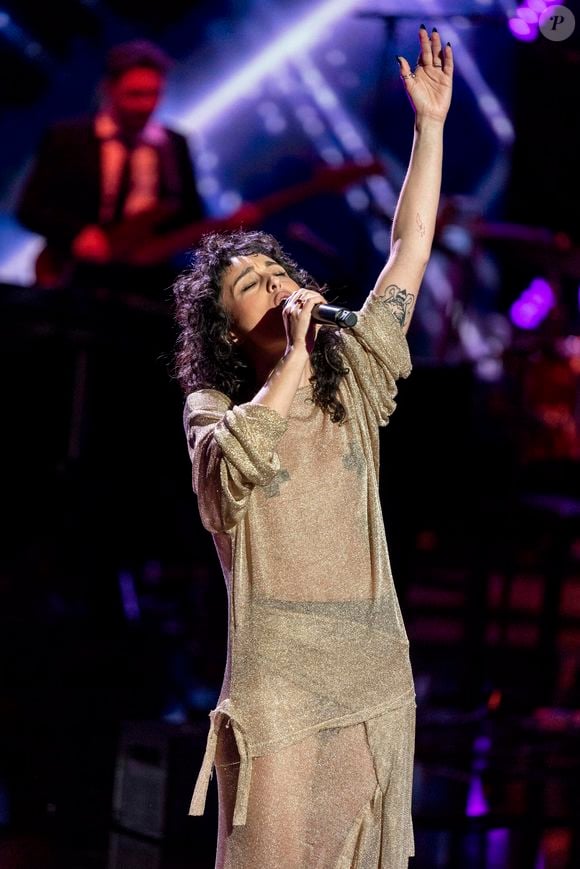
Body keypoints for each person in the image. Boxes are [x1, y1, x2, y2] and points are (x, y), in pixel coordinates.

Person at [173, 26, 453, 868]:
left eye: (278, 270)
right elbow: (238, 467)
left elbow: (407, 251)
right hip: (280, 681)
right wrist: (293, 356)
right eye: (253, 285)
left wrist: (429, 129)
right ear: (228, 332)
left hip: (372, 668)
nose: (279, 284)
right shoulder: (212, 407)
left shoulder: (355, 377)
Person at [16, 39, 206, 292]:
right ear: (109, 89)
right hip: (77, 278)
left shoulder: (174, 145)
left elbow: (190, 216)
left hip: (146, 281)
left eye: (154, 94)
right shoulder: (66, 138)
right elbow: (30, 208)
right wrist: (76, 235)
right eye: (135, 94)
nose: (146, 106)